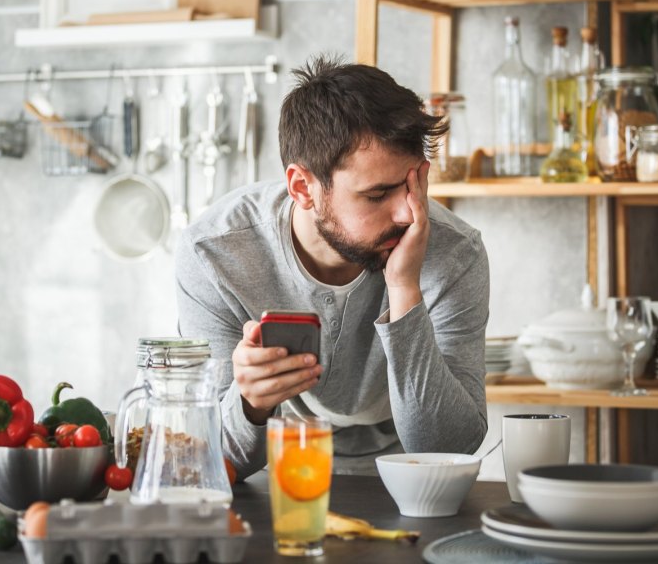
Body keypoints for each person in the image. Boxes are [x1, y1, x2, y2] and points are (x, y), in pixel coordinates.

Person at [176, 55, 489, 477]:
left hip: (404, 470)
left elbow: (447, 447)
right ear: (303, 187)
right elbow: (218, 458)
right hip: (279, 465)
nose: (407, 214)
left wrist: (404, 288)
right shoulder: (214, 253)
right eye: (378, 195)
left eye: (412, 187)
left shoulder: (455, 253)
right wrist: (250, 402)